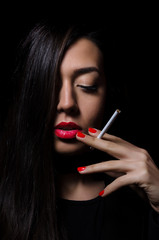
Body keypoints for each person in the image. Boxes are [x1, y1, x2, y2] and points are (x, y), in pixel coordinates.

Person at [0, 21, 159, 240]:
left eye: (87, 85)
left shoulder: (136, 202)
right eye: (50, 84)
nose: (67, 103)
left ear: (107, 97)